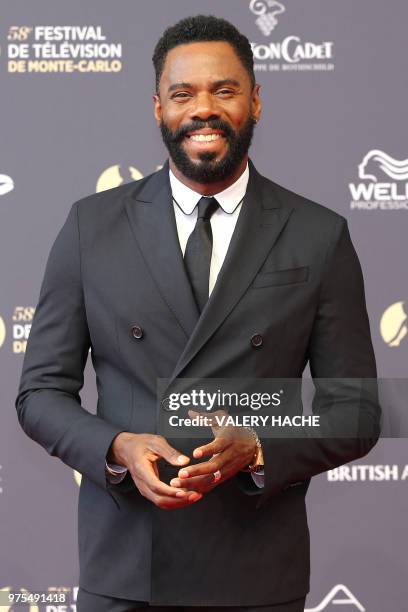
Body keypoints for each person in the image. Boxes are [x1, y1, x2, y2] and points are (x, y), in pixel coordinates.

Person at [15, 14, 380, 612]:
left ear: (256, 101)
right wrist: (118, 448)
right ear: (157, 107)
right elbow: (40, 394)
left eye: (225, 90)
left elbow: (360, 408)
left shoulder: (318, 235)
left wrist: (262, 446)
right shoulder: (92, 227)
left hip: (257, 567)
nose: (203, 109)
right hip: (128, 565)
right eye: (183, 93)